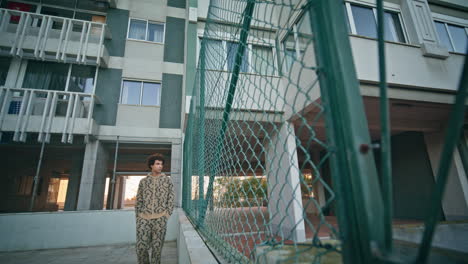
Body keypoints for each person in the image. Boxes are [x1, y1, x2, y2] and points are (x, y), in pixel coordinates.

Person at [135, 153, 175, 264]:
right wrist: (138, 217)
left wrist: (166, 215)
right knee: (141, 247)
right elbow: (139, 200)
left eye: (161, 164)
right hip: (144, 219)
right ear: (151, 165)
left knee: (157, 250)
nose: (160, 166)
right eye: (157, 164)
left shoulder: (167, 180)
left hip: (160, 218)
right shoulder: (143, 181)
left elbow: (171, 199)